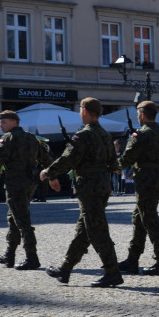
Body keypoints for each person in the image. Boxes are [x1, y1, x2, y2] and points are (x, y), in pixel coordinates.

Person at [41, 98, 123, 287]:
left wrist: (48, 172)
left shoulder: (84, 135)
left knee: (97, 230)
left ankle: (112, 272)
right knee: (84, 230)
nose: (79, 113)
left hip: (89, 186)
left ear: (85, 111)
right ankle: (65, 269)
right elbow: (113, 162)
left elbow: (68, 158)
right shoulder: (104, 133)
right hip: (102, 185)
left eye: (80, 109)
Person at [116, 101, 159, 276]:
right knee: (139, 218)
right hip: (156, 178)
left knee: (149, 220)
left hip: (145, 180)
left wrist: (111, 165)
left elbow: (126, 159)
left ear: (142, 114)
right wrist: (156, 167)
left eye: (137, 114)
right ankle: (132, 260)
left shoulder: (140, 135)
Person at [0, 110, 51, 269]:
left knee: (22, 221)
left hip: (15, 183)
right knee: (14, 218)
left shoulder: (9, 138)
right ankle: (9, 255)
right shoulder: (31, 137)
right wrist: (52, 175)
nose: (0, 126)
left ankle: (32, 258)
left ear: (13, 122)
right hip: (30, 182)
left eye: (3, 122)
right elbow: (46, 158)